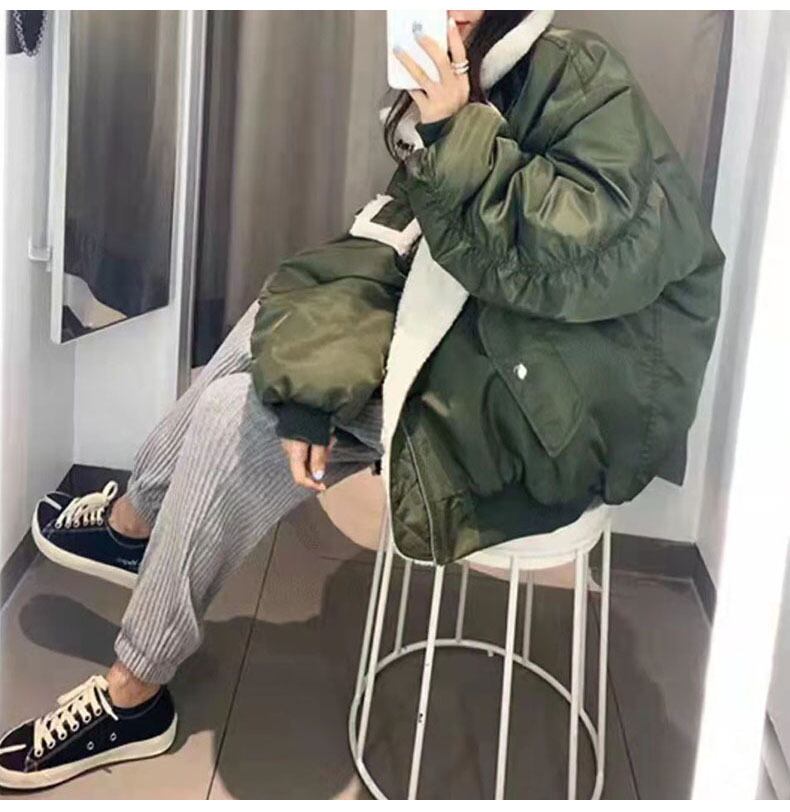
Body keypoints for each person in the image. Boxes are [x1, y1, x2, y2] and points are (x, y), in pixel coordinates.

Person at [0, 9, 724, 790]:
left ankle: (133, 693)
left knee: (232, 419)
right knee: (281, 313)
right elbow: (392, 255)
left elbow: (579, 256)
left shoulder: (572, 72)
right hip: (489, 345)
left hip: (559, 403)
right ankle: (136, 523)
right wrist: (312, 387)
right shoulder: (462, 73)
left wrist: (454, 128)